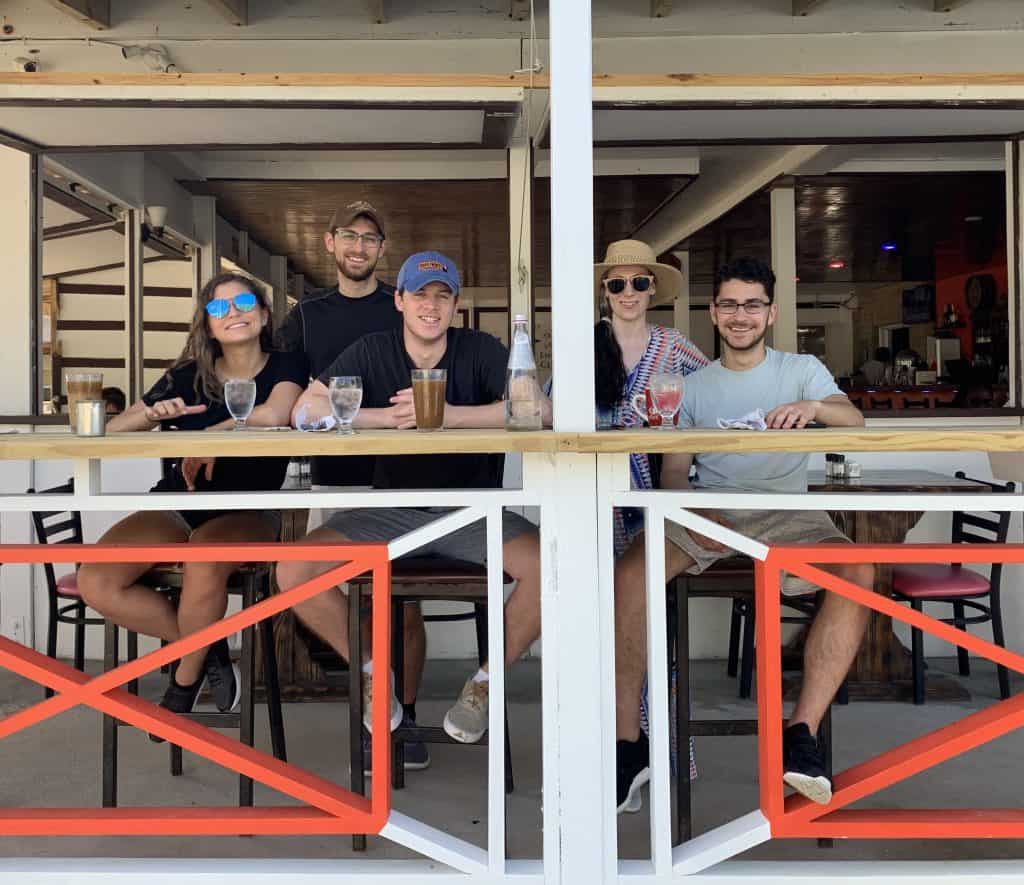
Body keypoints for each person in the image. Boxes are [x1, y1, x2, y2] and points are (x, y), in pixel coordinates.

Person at [612, 257, 873, 815]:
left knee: (858, 570)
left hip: (791, 517)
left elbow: (854, 422)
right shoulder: (689, 385)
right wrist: (694, 510)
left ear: (771, 312)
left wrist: (814, 407)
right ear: (713, 312)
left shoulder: (801, 369)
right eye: (729, 304)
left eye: (752, 304)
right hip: (711, 512)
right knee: (629, 573)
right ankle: (628, 745)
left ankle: (800, 735)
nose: (740, 315)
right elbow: (677, 474)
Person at [277, 250, 550, 756]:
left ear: (455, 305)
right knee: (294, 570)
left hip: (471, 510)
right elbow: (305, 410)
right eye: (420, 295)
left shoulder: (481, 349)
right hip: (391, 509)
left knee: (553, 566)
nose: (431, 306)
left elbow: (537, 408)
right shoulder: (371, 349)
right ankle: (372, 676)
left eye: (442, 296)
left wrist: (450, 416)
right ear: (399, 300)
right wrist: (383, 419)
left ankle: (484, 685)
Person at [78, 273, 306, 728]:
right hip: (179, 502)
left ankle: (181, 688)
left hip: (249, 507)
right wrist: (153, 413)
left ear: (263, 314)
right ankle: (208, 645)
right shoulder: (187, 375)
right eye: (219, 308)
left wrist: (212, 436)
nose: (233, 313)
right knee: (96, 581)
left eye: (243, 302)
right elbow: (116, 428)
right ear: (207, 324)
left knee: (205, 557)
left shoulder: (288, 365)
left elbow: (276, 414)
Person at [275, 201, 429, 767]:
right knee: (341, 596)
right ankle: (375, 697)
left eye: (370, 238)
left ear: (382, 249)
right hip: (337, 482)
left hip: (405, 481)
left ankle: (405, 720)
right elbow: (283, 395)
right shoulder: (307, 317)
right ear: (329, 243)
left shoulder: (403, 308)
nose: (359, 246)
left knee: (404, 605)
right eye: (350, 236)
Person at [593, 239, 708, 554]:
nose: (628, 293)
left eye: (639, 283)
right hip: (593, 486)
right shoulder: (585, 347)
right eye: (617, 285)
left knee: (652, 581)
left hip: (658, 483)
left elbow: (713, 387)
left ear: (652, 288)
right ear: (605, 291)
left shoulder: (672, 344)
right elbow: (552, 406)